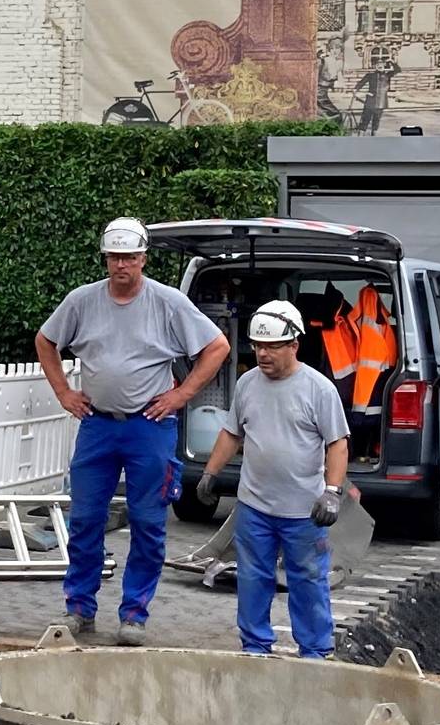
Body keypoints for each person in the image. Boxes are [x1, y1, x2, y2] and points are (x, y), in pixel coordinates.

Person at [35, 217, 232, 646]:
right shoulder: (82, 301)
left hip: (150, 427)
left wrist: (182, 395)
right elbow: (45, 341)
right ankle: (79, 607)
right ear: (106, 258)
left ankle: (134, 614)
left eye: (129, 257)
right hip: (98, 424)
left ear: (143, 258)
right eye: (114, 257)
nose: (121, 265)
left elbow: (217, 347)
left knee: (147, 522)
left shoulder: (168, 302)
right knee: (85, 519)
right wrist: (63, 392)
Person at [195, 300, 352, 658]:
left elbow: (337, 444)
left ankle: (314, 652)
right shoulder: (248, 384)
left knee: (307, 579)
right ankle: (255, 647)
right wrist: (210, 472)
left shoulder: (318, 389)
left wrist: (332, 491)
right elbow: (232, 432)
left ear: (294, 344)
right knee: (252, 578)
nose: (263, 354)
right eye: (258, 346)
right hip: (255, 507)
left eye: (272, 347)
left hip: (304, 512)